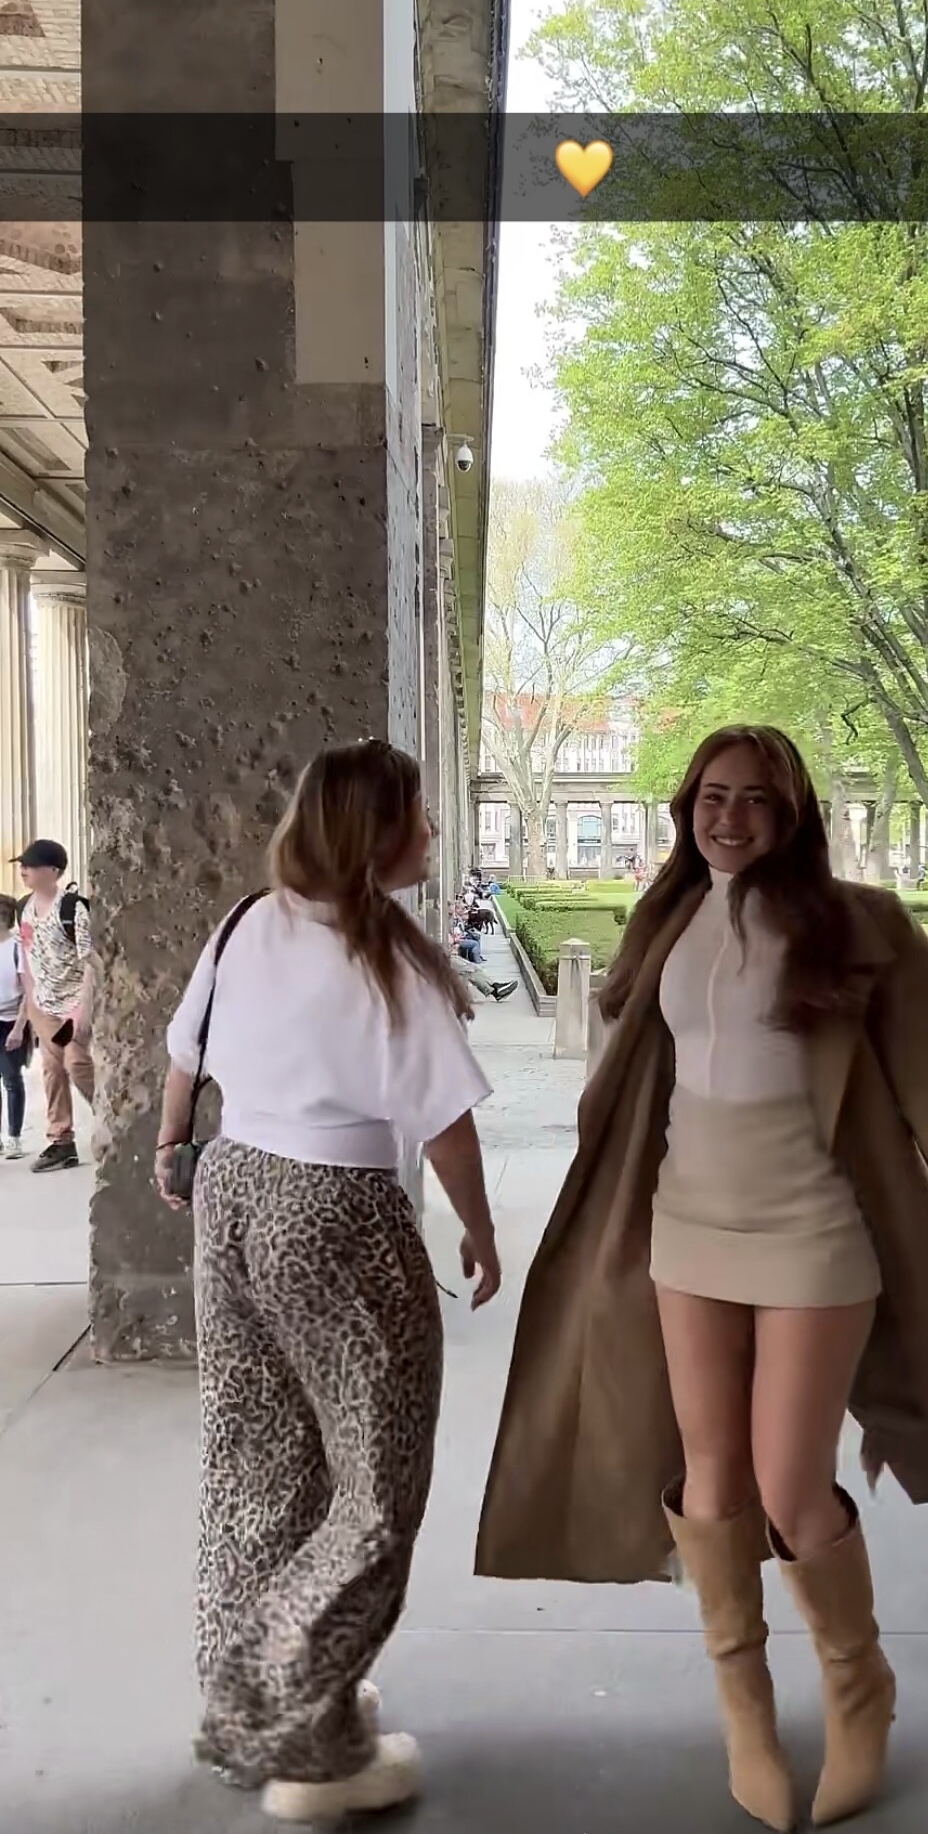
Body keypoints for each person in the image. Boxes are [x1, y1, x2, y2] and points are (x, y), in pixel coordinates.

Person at [476, 724, 928, 1833]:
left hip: (816, 1234)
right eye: (712, 796)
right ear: (686, 808)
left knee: (788, 1487)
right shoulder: (666, 917)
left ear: (793, 814)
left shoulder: (859, 925)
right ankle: (745, 1705)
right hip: (686, 1230)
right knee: (711, 1480)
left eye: (755, 799)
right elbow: (632, 1068)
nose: (729, 817)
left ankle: (858, 1682)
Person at [155, 740, 501, 1824]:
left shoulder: (244, 923)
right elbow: (444, 1123)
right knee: (375, 1482)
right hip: (336, 1210)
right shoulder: (386, 961)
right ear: (375, 832)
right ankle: (306, 1737)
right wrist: (481, 1229)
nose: (431, 833)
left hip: (233, 1192)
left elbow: (184, 1055)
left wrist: (171, 1150)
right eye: (420, 816)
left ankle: (256, 1698)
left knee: (256, 1459)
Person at [11, 839, 98, 1173]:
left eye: (30, 866)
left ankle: (111, 1117)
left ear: (53, 871)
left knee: (76, 1063)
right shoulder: (23, 907)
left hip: (74, 1002)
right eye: (22, 865)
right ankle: (61, 1141)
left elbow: (91, 961)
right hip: (43, 1004)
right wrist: (31, 999)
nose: (24, 871)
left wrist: (82, 1009)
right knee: (52, 1071)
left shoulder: (73, 909)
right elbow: (27, 953)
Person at [0, 894, 31, 1159]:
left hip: (11, 1020)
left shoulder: (17, 947)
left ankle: (14, 1137)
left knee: (11, 1079)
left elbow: (28, 991)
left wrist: (19, 1027)